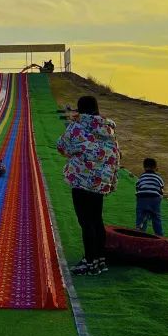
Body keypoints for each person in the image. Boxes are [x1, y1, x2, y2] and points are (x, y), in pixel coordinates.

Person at [57, 95, 120, 276]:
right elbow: (114, 154)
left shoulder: (77, 127)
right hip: (101, 181)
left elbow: (62, 146)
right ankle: (99, 259)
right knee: (96, 220)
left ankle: (89, 261)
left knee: (86, 222)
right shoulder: (107, 129)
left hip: (82, 180)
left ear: (80, 108)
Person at [135, 158, 165, 236]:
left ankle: (139, 232)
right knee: (156, 217)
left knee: (141, 216)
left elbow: (138, 188)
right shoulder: (158, 178)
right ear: (156, 168)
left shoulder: (141, 177)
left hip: (142, 198)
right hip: (155, 199)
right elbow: (161, 189)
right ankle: (159, 235)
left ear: (144, 167)